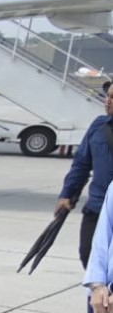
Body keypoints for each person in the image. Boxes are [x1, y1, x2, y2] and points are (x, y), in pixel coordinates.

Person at [55, 84, 113, 268]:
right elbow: (81, 163)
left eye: (112, 97)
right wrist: (67, 194)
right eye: (107, 96)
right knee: (88, 256)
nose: (107, 101)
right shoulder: (99, 125)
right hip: (97, 208)